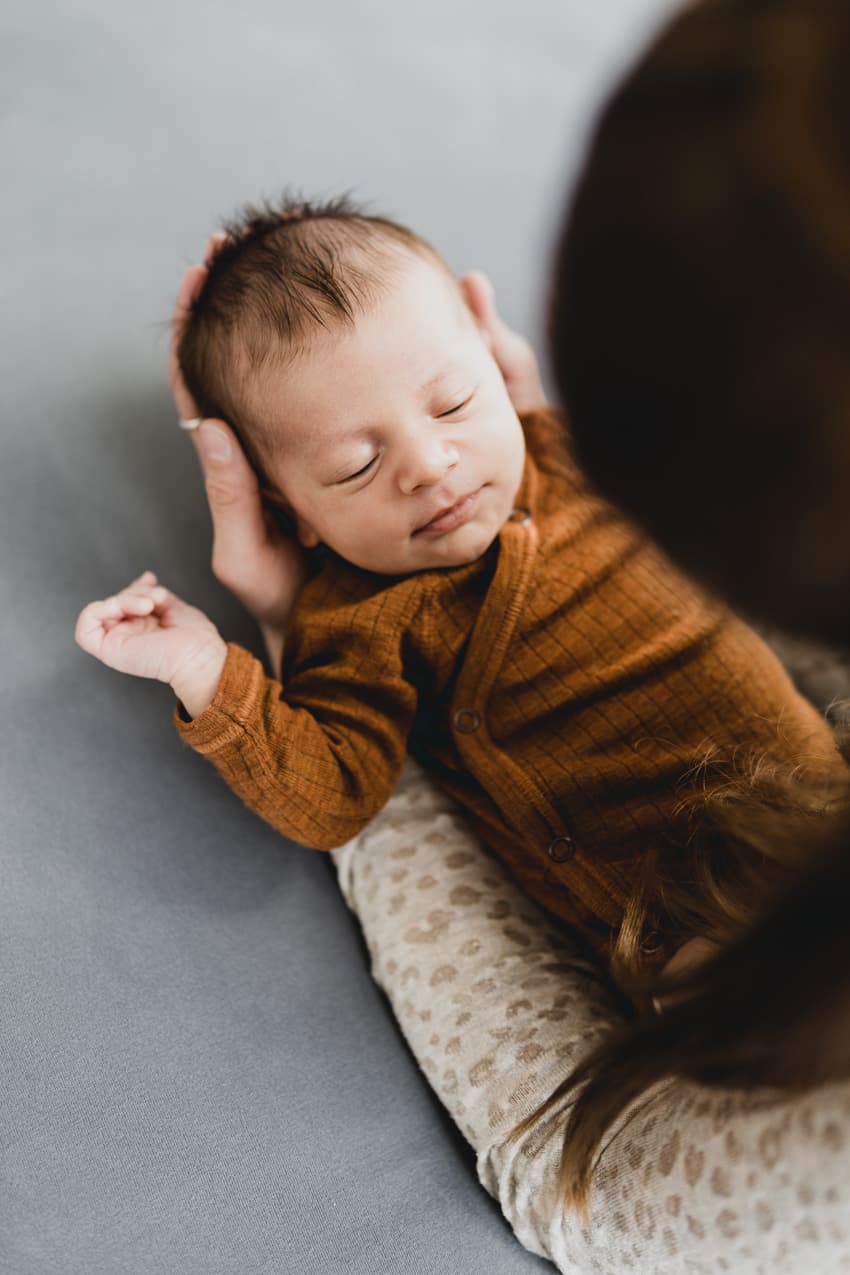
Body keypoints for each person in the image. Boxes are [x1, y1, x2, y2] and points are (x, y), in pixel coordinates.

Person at [75, 194, 846, 1013]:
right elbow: (331, 794)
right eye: (354, 467)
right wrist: (204, 669)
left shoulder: (573, 452)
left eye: (452, 403)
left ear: (492, 363)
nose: (430, 464)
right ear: (292, 513)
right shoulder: (358, 619)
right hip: (698, 922)